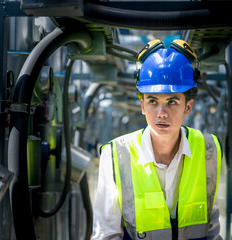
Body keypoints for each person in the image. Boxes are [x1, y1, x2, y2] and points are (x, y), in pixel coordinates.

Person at [91, 39, 222, 240]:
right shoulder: (116, 155)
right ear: (142, 106)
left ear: (188, 106)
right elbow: (106, 235)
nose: (162, 113)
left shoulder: (208, 151)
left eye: (172, 101)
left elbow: (211, 231)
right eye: (153, 101)